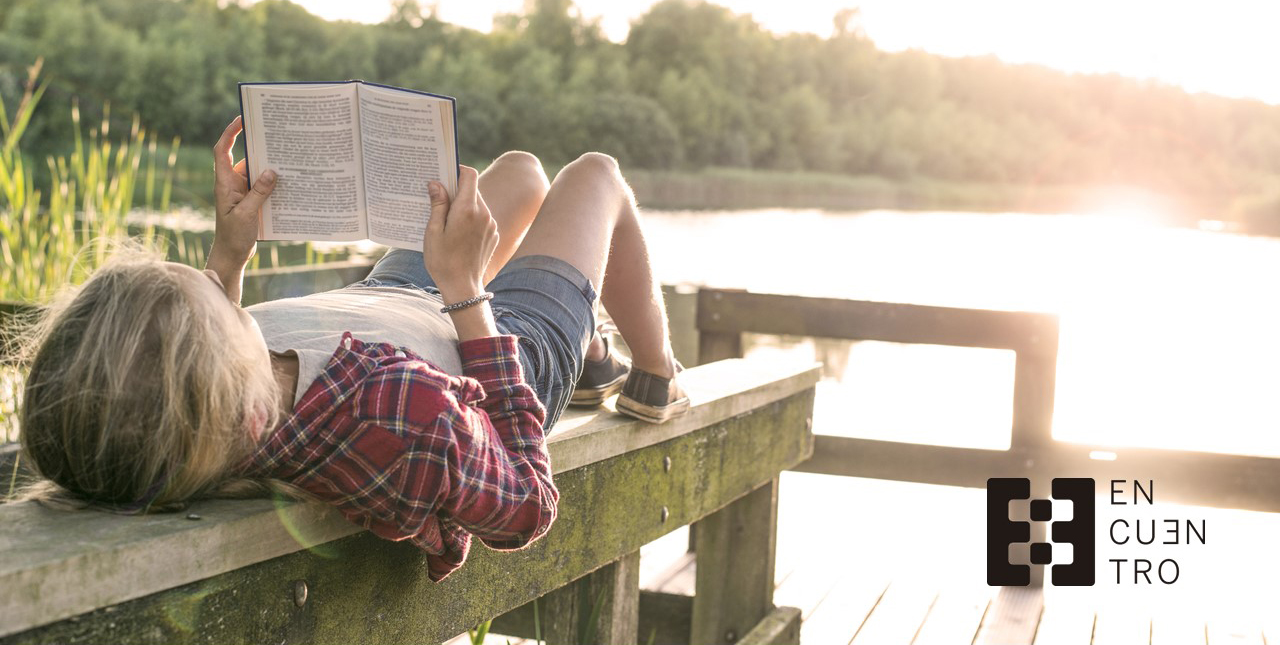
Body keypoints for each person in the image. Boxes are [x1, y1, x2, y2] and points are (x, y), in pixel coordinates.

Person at [15, 116, 687, 580]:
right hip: (488, 337)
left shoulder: (212, 409)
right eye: (221, 299)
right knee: (595, 175)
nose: (225, 293)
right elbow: (528, 503)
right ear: (250, 411)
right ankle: (652, 373)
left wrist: (231, 253)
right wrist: (463, 288)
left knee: (517, 174)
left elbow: (203, 365)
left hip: (389, 301)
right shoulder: (396, 417)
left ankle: (592, 344)